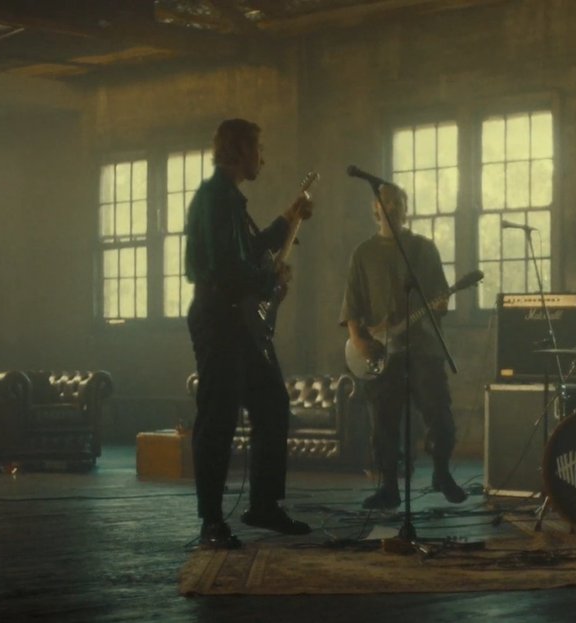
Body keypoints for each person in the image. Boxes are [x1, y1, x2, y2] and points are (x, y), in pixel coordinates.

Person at [185, 118, 314, 549]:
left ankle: (263, 505)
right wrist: (269, 281)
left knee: (272, 404)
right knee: (218, 417)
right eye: (258, 149)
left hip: (239, 322)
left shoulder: (229, 201)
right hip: (219, 320)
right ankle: (211, 522)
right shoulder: (215, 199)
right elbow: (226, 269)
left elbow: (250, 250)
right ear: (239, 150)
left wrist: (288, 218)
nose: (263, 158)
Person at [340, 183, 468, 509]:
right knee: (384, 423)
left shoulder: (424, 249)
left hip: (424, 347)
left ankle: (441, 473)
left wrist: (440, 304)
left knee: (440, 414)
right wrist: (359, 340)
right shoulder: (363, 254)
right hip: (382, 353)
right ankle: (388, 488)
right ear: (375, 209)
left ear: (406, 209)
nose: (392, 207)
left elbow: (440, 297)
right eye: (385, 202)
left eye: (398, 202)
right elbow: (352, 304)